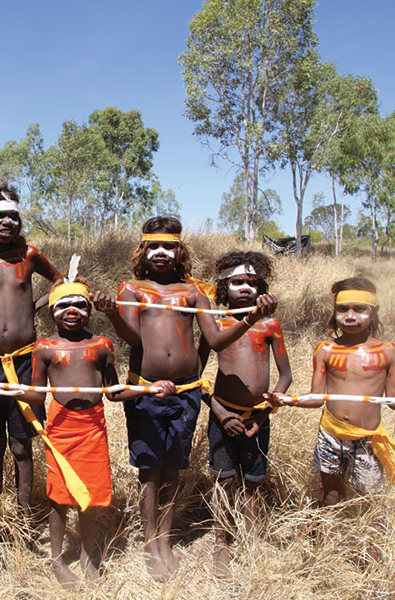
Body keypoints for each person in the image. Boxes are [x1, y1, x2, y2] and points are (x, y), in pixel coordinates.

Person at [92, 216, 276, 580]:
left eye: (169, 246)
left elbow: (217, 340)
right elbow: (133, 338)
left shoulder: (193, 292)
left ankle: (165, 534)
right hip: (147, 389)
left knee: (173, 469)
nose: (162, 252)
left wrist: (252, 318)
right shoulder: (132, 289)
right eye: (154, 246)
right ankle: (151, 544)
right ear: (143, 251)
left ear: (180, 251)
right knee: (149, 470)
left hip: (187, 391)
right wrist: (113, 312)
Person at [22, 272, 174, 588]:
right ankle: (57, 559)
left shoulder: (102, 345)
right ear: (52, 313)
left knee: (88, 496)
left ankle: (90, 556)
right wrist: (3, 390)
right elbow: (36, 395)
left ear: (90, 309)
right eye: (63, 306)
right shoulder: (44, 348)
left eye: (80, 304)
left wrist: (148, 389)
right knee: (59, 497)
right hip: (60, 429)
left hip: (93, 428)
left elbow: (114, 391)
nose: (72, 311)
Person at [0, 185, 62, 515]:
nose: (7, 222)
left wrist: (36, 306)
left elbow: (60, 279)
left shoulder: (29, 257)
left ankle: (24, 512)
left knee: (22, 442)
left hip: (25, 361)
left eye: (13, 216)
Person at [197, 251, 292, 579]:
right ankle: (221, 541)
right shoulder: (216, 324)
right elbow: (196, 377)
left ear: (262, 287)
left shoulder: (270, 324)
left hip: (257, 419)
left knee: (252, 483)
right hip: (224, 417)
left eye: (252, 282)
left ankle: (250, 538)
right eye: (237, 282)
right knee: (224, 481)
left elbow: (285, 377)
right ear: (224, 287)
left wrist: (264, 413)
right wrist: (221, 413)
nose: (245, 288)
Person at [271, 277, 395, 504]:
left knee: (367, 498)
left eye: (359, 309)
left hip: (366, 437)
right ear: (334, 312)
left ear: (374, 311)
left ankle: (360, 537)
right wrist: (289, 400)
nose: (350, 316)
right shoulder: (325, 350)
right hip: (330, 434)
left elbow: (392, 400)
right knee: (331, 493)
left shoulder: (387, 351)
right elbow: (316, 398)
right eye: (342, 309)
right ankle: (328, 533)